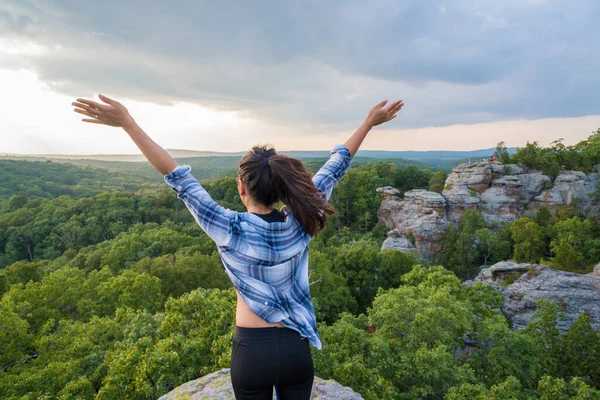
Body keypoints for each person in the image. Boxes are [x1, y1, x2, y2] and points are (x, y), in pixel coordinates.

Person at [72, 94, 404, 400]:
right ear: (280, 188)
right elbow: (337, 166)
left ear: (241, 186)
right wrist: (368, 123)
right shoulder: (302, 218)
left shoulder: (228, 227)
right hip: (295, 348)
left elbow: (176, 175)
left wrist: (128, 123)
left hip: (251, 351)